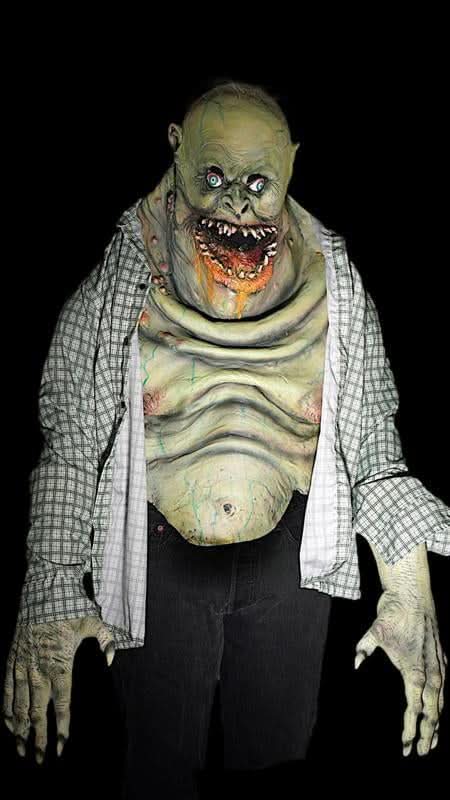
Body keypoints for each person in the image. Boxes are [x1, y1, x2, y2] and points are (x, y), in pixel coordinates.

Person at [3, 80, 449, 798]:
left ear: (292, 165)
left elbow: (374, 446)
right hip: (158, 561)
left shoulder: (334, 281)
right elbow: (73, 434)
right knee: (155, 773)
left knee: (278, 769)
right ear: (176, 150)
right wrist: (51, 584)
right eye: (213, 177)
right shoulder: (129, 266)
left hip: (289, 565)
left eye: (258, 184)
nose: (236, 204)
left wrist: (407, 593)